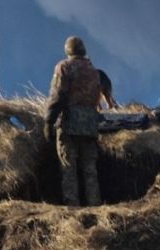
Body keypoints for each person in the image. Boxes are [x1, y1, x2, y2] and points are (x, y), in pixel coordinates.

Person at [44, 35, 103, 206]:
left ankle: (73, 209)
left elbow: (58, 96)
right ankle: (95, 205)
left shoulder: (63, 67)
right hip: (90, 125)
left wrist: (49, 121)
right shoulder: (93, 71)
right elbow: (95, 98)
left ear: (68, 50)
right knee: (90, 169)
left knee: (68, 167)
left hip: (69, 123)